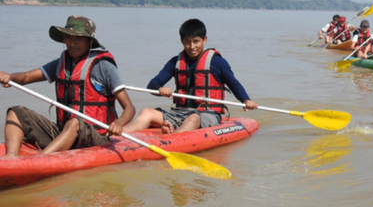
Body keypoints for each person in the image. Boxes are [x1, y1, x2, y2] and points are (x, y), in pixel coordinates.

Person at [0, 15, 135, 157]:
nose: (73, 43)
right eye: (69, 38)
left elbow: (129, 108)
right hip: (63, 132)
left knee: (74, 122)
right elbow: (26, 77)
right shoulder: (61, 63)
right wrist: (10, 77)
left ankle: (41, 160)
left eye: (79, 38)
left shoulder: (104, 66)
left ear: (89, 41)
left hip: (96, 137)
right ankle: (11, 159)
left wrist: (119, 123)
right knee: (16, 112)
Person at [124, 18, 258, 134]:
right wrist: (160, 90)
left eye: (196, 41)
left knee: (193, 118)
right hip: (180, 112)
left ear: (204, 40)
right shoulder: (175, 62)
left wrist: (246, 100)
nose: (192, 46)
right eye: (187, 42)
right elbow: (152, 84)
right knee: (146, 112)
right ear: (182, 41)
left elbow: (234, 84)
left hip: (208, 114)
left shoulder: (217, 62)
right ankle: (118, 135)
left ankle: (172, 138)